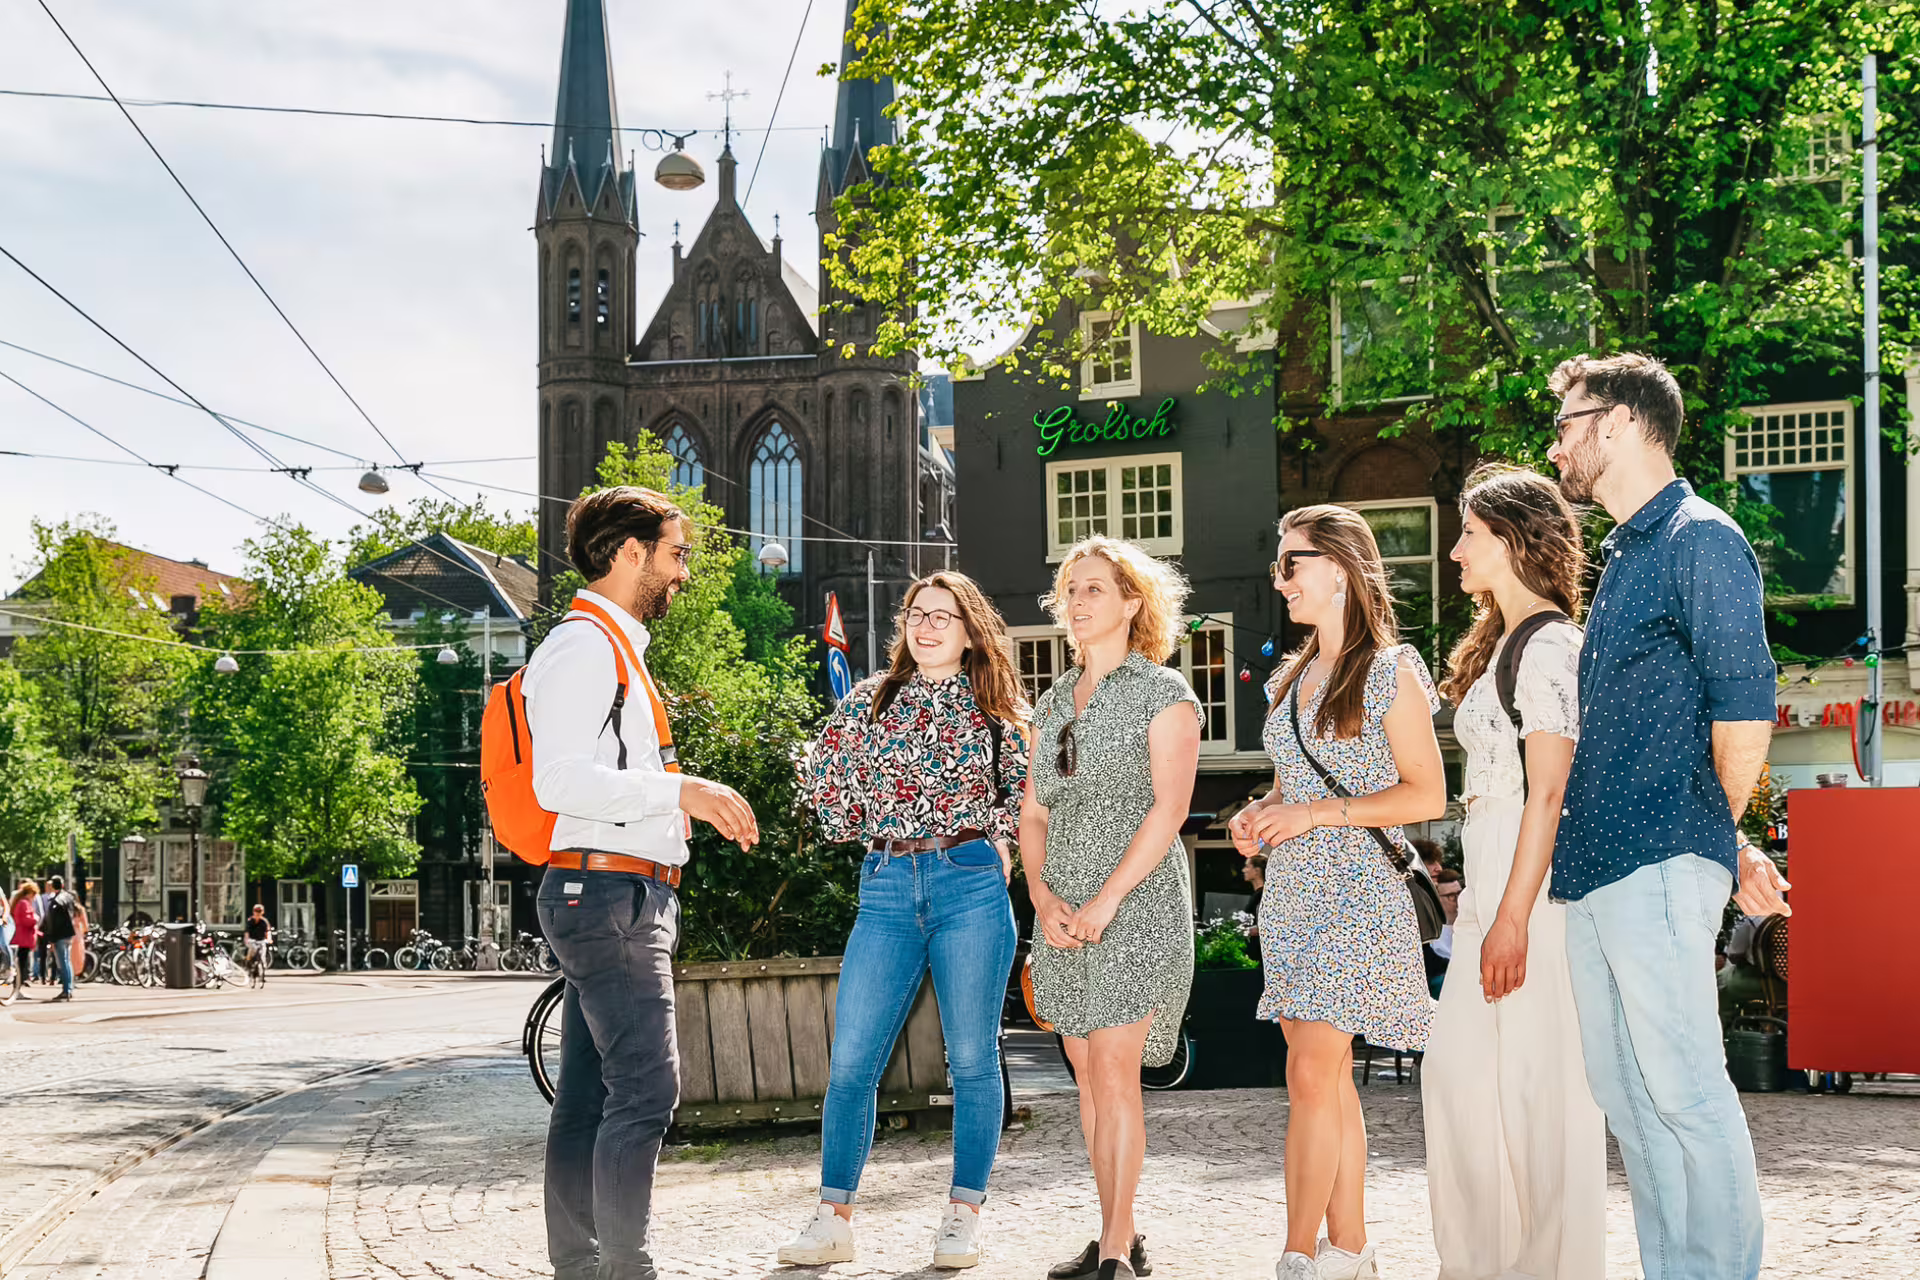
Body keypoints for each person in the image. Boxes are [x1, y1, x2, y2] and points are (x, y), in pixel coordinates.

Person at [1547, 353, 1783, 1280]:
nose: (1556, 445)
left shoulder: (1700, 538)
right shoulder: (1624, 554)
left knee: (1684, 1090)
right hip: (1596, 867)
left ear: (1618, 422)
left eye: (1567, 423)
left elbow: (1744, 711)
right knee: (1631, 1101)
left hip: (1658, 854)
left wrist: (1714, 837)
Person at [526, 486, 761, 1280]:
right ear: (631, 553)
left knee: (590, 1096)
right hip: (607, 895)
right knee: (646, 1093)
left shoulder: (612, 646)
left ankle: (581, 1267)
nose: (684, 572)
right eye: (676, 553)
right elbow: (559, 780)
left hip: (615, 890)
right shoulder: (584, 647)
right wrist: (680, 791)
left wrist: (675, 808)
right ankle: (625, 1269)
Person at [777, 572, 1029, 1271]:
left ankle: (962, 1217)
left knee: (972, 1059)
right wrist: (858, 816)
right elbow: (824, 781)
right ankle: (833, 1219)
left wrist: (1000, 841)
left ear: (970, 632)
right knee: (851, 1061)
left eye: (944, 616)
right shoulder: (870, 700)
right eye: (918, 614)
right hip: (887, 885)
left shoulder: (999, 710)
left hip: (969, 884)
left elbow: (1027, 797)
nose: (927, 626)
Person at [1230, 504, 1446, 1280]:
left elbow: (1427, 794)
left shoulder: (1391, 668)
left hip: (1358, 893)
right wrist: (1259, 814)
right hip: (1293, 893)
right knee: (1323, 1074)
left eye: (1293, 563)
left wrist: (1312, 814)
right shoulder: (1289, 677)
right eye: (1279, 565)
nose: (1280, 579)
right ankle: (1350, 1248)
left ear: (1342, 569)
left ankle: (1297, 1254)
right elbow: (1292, 784)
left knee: (1310, 1075)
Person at [1423, 463, 1606, 1280]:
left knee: (1542, 1092)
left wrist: (1512, 917)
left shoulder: (1551, 644)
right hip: (1494, 877)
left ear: (1510, 540)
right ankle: (1483, 1266)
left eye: (1469, 533)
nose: (1455, 551)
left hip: (1529, 891)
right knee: (1463, 1084)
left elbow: (1552, 792)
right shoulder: (1505, 641)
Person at [1025, 537, 1202, 1280]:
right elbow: (1034, 813)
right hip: (1062, 906)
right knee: (1088, 1075)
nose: (1078, 601)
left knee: (1114, 1067)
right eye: (1071, 589)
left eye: (1095, 588)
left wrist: (1106, 899)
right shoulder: (1050, 702)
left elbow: (1170, 810)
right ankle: (1115, 1235)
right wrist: (1041, 895)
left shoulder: (1165, 693)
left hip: (1137, 899)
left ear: (1134, 603)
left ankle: (1116, 1252)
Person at [1423, 867, 1463, 999]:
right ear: (1437, 899)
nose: (1458, 900)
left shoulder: (1474, 925)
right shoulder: (1430, 936)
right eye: (1451, 896)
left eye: (1460, 893)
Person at [39, 876, 77, 1002]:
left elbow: (53, 921)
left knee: (63, 962)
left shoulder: (56, 901)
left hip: (60, 935)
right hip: (68, 933)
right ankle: (69, 988)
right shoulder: (68, 897)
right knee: (67, 961)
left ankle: (66, 990)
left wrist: (52, 938)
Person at [8, 881, 39, 1003]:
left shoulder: (20, 902)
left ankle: (18, 989)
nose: (34, 897)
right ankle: (17, 989)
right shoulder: (24, 903)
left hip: (21, 936)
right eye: (34, 894)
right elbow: (26, 920)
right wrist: (35, 918)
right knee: (22, 964)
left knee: (21, 963)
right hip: (24, 937)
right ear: (30, 893)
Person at [242, 905, 273, 986]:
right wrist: (247, 939)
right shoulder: (250, 921)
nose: (257, 913)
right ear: (253, 912)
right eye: (256, 911)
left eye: (259, 911)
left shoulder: (264, 921)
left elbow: (268, 931)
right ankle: (248, 962)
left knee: (262, 956)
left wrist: (269, 939)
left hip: (261, 940)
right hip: (252, 940)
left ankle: (262, 974)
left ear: (262, 912)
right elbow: (247, 932)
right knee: (252, 949)